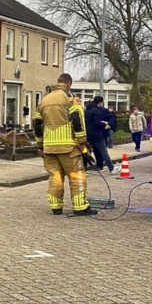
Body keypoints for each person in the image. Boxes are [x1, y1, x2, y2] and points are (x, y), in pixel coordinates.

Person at [33, 74, 96, 216]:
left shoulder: (43, 101)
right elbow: (78, 121)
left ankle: (56, 207)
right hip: (69, 147)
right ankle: (80, 207)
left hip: (49, 147)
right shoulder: (70, 99)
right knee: (76, 176)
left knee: (55, 177)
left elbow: (37, 125)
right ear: (69, 84)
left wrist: (40, 145)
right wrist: (82, 143)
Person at [85, 96, 118, 174]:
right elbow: (97, 123)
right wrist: (104, 123)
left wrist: (110, 123)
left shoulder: (86, 111)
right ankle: (111, 167)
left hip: (89, 134)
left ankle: (98, 165)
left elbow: (111, 117)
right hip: (98, 134)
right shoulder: (96, 111)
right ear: (99, 103)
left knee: (93, 151)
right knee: (103, 151)